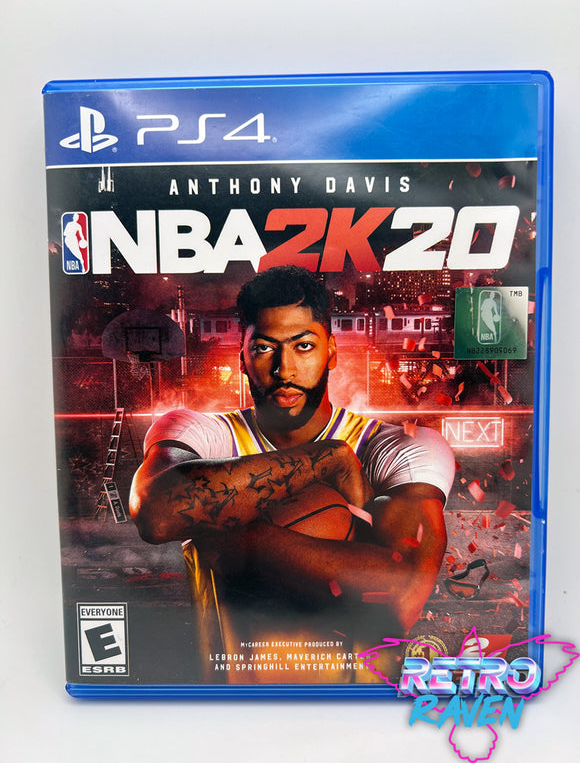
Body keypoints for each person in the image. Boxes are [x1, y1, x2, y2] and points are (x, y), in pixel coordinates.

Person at [130, 266, 455, 684]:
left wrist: (242, 537)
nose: (285, 369)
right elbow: (157, 515)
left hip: (358, 704)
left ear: (331, 352)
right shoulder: (199, 431)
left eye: (303, 346)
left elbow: (402, 592)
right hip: (232, 700)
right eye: (265, 348)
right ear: (242, 357)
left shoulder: (400, 446)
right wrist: (326, 458)